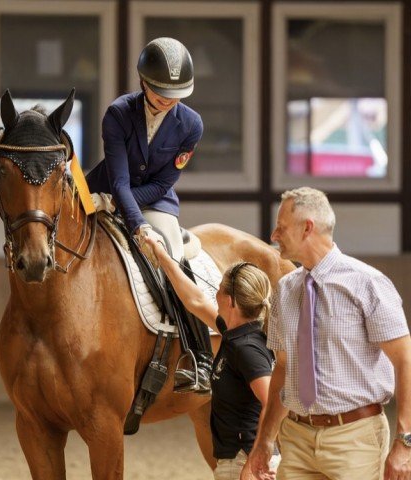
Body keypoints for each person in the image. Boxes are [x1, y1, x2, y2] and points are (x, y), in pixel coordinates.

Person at [248, 187, 411, 480]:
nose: (274, 235)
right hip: (296, 438)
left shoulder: (368, 284)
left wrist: (404, 444)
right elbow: (283, 368)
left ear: (307, 228)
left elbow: (408, 363)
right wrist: (265, 440)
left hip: (355, 439)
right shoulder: (285, 290)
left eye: (281, 227)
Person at [86, 37, 211, 394]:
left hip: (155, 203)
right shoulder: (119, 114)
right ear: (143, 82)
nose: (167, 101)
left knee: (172, 257)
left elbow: (163, 183)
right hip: (104, 191)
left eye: (175, 96)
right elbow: (120, 179)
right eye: (159, 94)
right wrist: (122, 213)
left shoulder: (191, 125)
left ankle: (197, 355)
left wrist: (139, 221)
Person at [145, 235, 281, 480]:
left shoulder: (247, 348)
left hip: (246, 461)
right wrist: (163, 258)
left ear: (229, 301)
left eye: (217, 290)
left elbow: (271, 402)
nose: (213, 296)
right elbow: (195, 300)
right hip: (235, 458)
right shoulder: (234, 333)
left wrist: (253, 463)